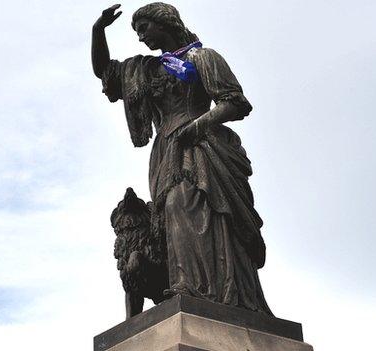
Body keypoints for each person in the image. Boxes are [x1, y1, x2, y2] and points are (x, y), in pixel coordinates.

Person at [92, 2, 272, 315]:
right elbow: (105, 72)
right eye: (136, 31)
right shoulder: (145, 69)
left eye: (144, 28)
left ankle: (205, 292)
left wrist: (197, 125)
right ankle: (182, 286)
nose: (140, 37)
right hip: (166, 153)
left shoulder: (202, 58)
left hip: (203, 147)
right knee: (171, 219)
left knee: (188, 208)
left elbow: (235, 103)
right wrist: (97, 31)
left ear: (166, 23)